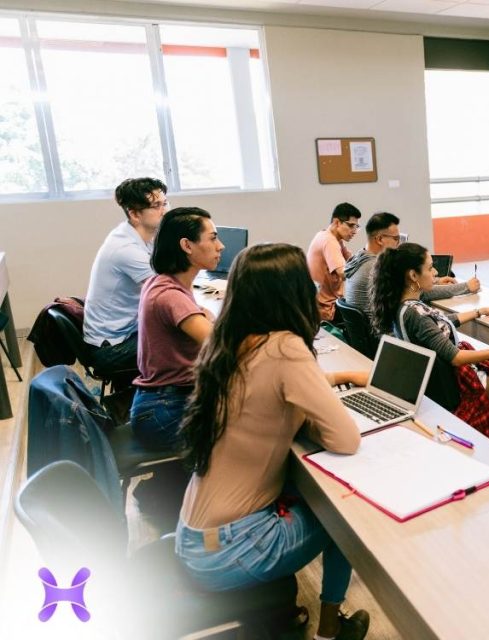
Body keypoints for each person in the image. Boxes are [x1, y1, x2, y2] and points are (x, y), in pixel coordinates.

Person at [176, 243, 371, 640]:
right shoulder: (285, 346)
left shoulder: (228, 340)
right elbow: (346, 439)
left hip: (196, 536)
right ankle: (330, 630)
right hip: (232, 547)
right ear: (294, 291)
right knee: (346, 516)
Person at [368, 243, 489, 443]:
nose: (436, 272)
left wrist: (479, 312)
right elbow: (456, 357)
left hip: (437, 384)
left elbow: (440, 326)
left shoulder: (402, 305)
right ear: (413, 276)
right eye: (430, 267)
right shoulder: (417, 315)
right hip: (457, 385)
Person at [130, 207, 222, 451]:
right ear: (187, 245)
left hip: (160, 403)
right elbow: (222, 346)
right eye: (213, 238)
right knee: (257, 429)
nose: (220, 246)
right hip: (165, 411)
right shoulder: (171, 295)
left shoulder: (163, 282)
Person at [83, 177, 169, 383]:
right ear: (134, 214)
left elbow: (166, 274)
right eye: (156, 205)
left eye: (165, 203)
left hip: (125, 332)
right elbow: (166, 292)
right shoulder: (126, 248)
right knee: (185, 341)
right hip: (112, 350)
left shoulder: (140, 236)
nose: (164, 210)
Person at [343, 211, 480, 314]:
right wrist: (466, 286)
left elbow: (409, 286)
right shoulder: (376, 268)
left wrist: (435, 280)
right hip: (385, 337)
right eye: (396, 239)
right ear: (379, 239)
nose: (399, 245)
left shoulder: (360, 257)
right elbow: (420, 292)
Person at [307, 202, 361, 323]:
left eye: (356, 227)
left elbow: (352, 260)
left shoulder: (328, 236)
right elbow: (344, 272)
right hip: (327, 310)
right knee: (368, 316)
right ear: (337, 222)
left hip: (320, 306)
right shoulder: (329, 241)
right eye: (351, 225)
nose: (354, 231)